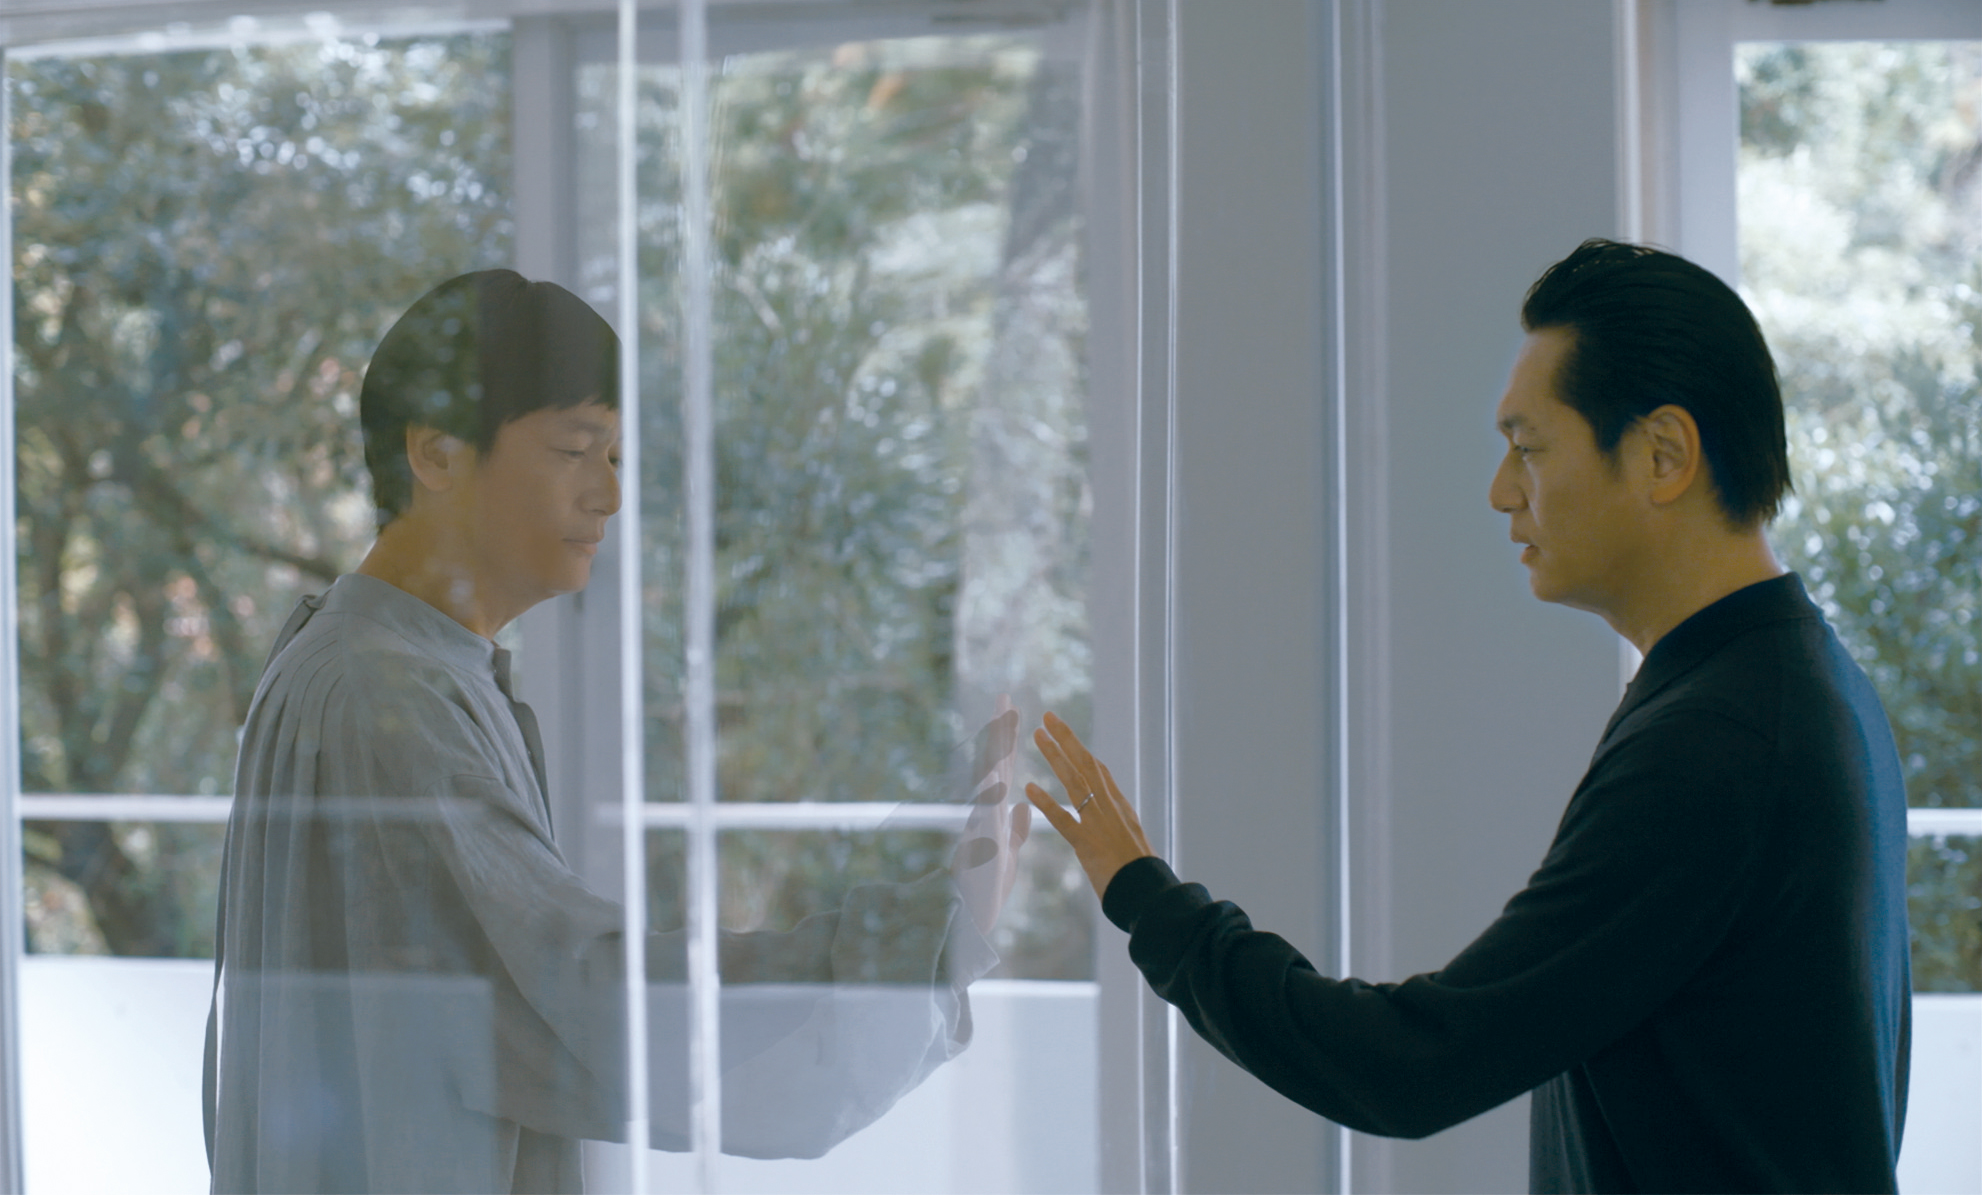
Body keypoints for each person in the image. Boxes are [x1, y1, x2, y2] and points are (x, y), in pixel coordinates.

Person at [1025, 240, 1911, 1193]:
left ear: (1663, 456)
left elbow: (1413, 1064)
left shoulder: (1719, 743)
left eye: (1529, 448)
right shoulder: (1799, 687)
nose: (1500, 492)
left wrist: (1147, 901)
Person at [203, 269, 1029, 1194]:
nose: (608, 495)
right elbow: (583, 1003)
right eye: (574, 450)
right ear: (436, 454)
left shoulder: (372, 661)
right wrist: (927, 931)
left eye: (617, 457)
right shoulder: (384, 693)